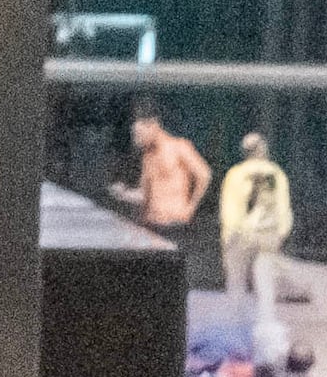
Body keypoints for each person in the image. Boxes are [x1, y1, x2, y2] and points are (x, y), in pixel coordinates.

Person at [117, 106, 216, 286]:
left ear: (152, 126)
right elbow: (145, 194)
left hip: (175, 224)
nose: (137, 140)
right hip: (152, 224)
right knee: (150, 279)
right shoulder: (148, 157)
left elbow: (204, 175)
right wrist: (124, 194)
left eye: (139, 134)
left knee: (171, 277)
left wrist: (191, 207)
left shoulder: (179, 147)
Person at [215, 129, 294, 314]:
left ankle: (236, 319)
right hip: (268, 235)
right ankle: (266, 321)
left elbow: (230, 209)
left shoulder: (235, 174)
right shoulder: (276, 173)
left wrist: (227, 238)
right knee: (265, 283)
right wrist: (282, 232)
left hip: (240, 235)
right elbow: (283, 206)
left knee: (236, 283)